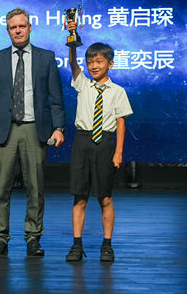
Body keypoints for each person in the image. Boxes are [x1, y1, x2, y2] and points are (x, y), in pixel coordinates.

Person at [0, 8, 66, 257]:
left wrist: (59, 127)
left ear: (29, 27)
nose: (17, 31)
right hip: (2, 130)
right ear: (8, 31)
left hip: (34, 129)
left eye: (21, 26)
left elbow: (56, 97)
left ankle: (33, 237)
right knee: (0, 188)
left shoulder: (46, 57)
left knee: (35, 187)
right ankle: (0, 238)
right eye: (13, 27)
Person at [64, 19, 133, 263]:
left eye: (99, 62)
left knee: (105, 197)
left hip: (105, 142)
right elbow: (72, 63)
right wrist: (73, 36)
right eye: (90, 62)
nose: (93, 66)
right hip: (82, 141)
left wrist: (118, 152)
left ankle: (107, 245)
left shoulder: (118, 91)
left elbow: (121, 123)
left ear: (110, 64)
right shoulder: (83, 84)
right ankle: (76, 245)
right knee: (79, 196)